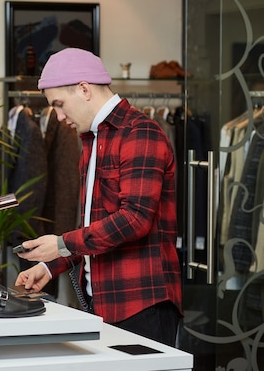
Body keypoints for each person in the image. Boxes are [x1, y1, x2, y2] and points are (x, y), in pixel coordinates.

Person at [15, 47, 182, 346]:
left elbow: (133, 220)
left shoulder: (140, 133)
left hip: (141, 306)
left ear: (84, 89)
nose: (59, 115)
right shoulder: (92, 140)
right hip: (103, 303)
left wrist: (61, 245)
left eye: (60, 104)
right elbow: (102, 229)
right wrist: (50, 266)